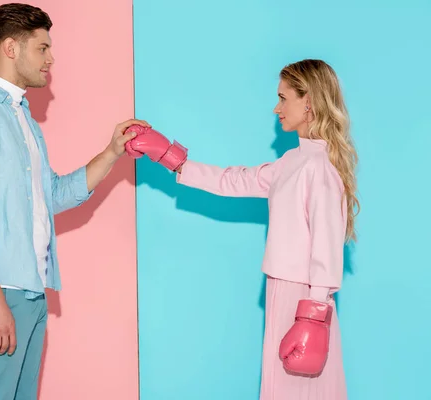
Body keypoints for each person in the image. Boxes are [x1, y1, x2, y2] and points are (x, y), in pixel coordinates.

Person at [0, 3, 148, 399]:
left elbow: (51, 195)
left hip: (30, 290)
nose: (51, 59)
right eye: (43, 48)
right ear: (11, 48)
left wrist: (111, 151)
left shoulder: (22, 120)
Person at [125, 59, 357, 400]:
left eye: (283, 97)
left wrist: (313, 315)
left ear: (308, 101)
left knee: (301, 390)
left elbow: (326, 245)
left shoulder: (319, 169)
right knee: (284, 387)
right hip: (282, 291)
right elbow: (232, 180)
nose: (276, 108)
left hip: (303, 297)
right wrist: (171, 158)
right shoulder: (292, 162)